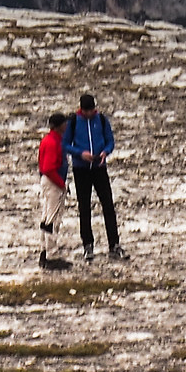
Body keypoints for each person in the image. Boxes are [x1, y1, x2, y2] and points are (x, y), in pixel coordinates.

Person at [65, 93, 124, 261]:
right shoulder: (74, 122)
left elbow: (110, 141)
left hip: (99, 167)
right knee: (84, 207)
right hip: (80, 169)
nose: (90, 113)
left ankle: (114, 244)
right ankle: (87, 245)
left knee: (108, 205)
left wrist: (106, 151)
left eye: (92, 110)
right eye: (87, 111)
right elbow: (66, 144)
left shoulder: (102, 120)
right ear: (81, 110)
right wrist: (80, 154)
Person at [35, 111, 70, 268]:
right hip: (53, 182)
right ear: (59, 126)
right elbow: (49, 168)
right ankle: (52, 255)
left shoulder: (50, 139)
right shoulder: (53, 142)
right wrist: (61, 184)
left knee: (46, 216)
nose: (66, 125)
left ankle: (44, 252)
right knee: (53, 219)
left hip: (48, 181)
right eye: (64, 123)